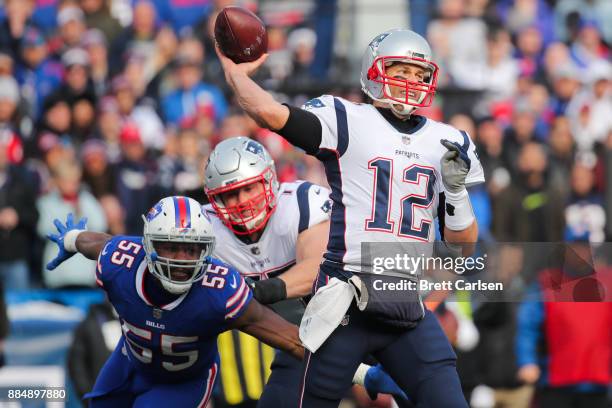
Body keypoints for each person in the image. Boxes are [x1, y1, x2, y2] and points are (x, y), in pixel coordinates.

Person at [216, 28, 484, 407]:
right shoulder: (347, 119)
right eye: (400, 70)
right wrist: (237, 75)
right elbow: (270, 113)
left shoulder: (447, 141)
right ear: (373, 70)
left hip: (407, 305)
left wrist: (456, 192)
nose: (410, 82)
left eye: (418, 74)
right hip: (345, 300)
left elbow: (462, 249)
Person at [45, 196, 304, 407]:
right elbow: (96, 243)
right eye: (171, 247)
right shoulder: (119, 262)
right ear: (149, 245)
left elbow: (292, 339)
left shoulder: (220, 291)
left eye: (191, 249)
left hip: (183, 384)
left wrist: (338, 363)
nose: (181, 260)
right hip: (128, 363)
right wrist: (71, 239)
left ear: (206, 250)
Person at [204, 137, 404, 407]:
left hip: (368, 318)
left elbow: (317, 270)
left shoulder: (298, 203)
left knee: (430, 394)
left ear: (269, 180)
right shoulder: (207, 231)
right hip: (305, 339)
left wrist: (254, 292)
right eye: (230, 194)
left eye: (249, 189)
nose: (241, 202)